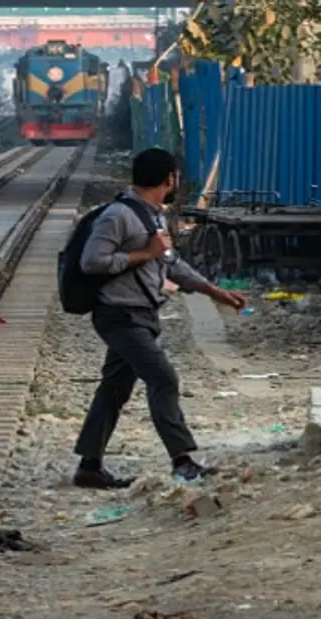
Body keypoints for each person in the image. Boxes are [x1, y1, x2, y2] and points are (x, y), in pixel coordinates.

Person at [72, 148, 249, 490]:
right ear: (170, 179)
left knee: (114, 389)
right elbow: (92, 262)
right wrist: (145, 254)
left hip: (140, 313)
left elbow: (171, 265)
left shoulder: (153, 216)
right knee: (164, 379)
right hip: (119, 315)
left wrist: (216, 292)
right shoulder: (118, 216)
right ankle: (182, 460)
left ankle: (89, 466)